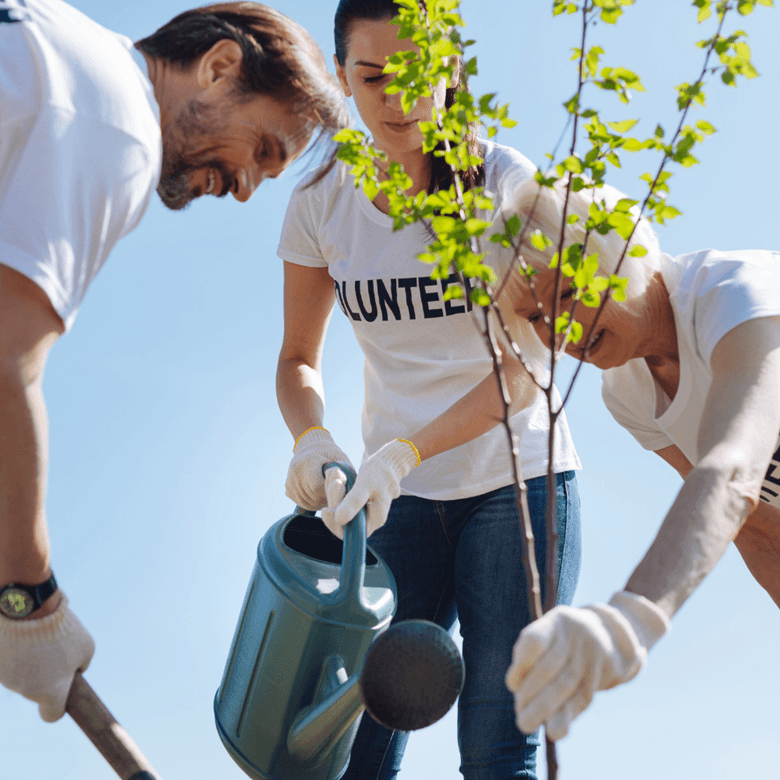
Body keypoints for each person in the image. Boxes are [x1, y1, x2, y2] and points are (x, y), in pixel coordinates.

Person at [0, 0, 347, 724]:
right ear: (217, 68)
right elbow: (7, 360)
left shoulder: (63, 50)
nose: (249, 188)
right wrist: (29, 598)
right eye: (262, 150)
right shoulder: (117, 123)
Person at [275, 1, 582, 777]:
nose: (395, 99)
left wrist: (405, 451)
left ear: (449, 73)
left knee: (494, 742)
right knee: (356, 735)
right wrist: (312, 436)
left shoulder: (501, 185)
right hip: (397, 499)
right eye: (371, 78)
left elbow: (525, 368)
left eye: (414, 77)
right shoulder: (321, 201)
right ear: (341, 78)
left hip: (518, 483)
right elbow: (297, 362)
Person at [495, 177, 780, 741]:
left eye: (568, 293)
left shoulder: (737, 297)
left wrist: (631, 620)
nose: (559, 333)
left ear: (617, 253)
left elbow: (732, 476)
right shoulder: (628, 394)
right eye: (536, 317)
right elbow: (751, 526)